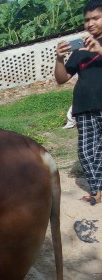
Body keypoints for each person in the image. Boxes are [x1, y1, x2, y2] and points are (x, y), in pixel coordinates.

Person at [54, 0, 102, 205]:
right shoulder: (80, 49)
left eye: (96, 18)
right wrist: (58, 58)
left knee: (99, 150)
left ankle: (98, 190)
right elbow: (61, 78)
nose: (90, 23)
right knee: (86, 150)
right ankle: (96, 188)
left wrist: (99, 50)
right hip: (83, 107)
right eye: (86, 20)